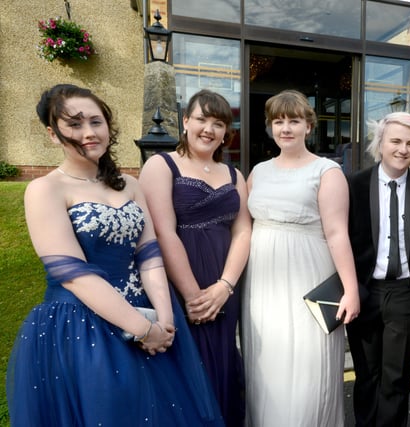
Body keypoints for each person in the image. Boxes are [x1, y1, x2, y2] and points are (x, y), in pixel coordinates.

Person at [5, 84, 223, 426]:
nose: (89, 132)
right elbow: (74, 274)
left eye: (96, 121)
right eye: (74, 124)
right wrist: (141, 329)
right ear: (52, 134)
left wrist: (165, 321)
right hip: (83, 323)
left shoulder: (129, 184)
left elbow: (149, 256)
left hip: (149, 312)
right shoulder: (44, 190)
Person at [241, 89, 360, 426]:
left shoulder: (327, 171)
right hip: (262, 282)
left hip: (309, 275)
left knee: (308, 366)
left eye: (294, 120)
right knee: (267, 366)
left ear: (309, 126)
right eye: (278, 121)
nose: (286, 128)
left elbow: (337, 233)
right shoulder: (259, 172)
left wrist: (350, 291)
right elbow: (243, 227)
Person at [139, 89, 251, 427]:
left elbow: (243, 231)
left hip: (224, 282)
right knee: (189, 365)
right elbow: (163, 232)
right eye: (202, 119)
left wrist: (225, 286)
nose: (209, 129)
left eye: (218, 123)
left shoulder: (234, 176)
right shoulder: (162, 165)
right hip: (180, 283)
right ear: (185, 121)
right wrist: (193, 296)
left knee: (223, 359)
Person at [347, 112, 410, 427]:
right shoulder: (353, 185)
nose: (403, 149)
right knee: (366, 375)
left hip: (407, 294)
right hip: (365, 293)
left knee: (396, 378)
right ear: (381, 144)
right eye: (396, 141)